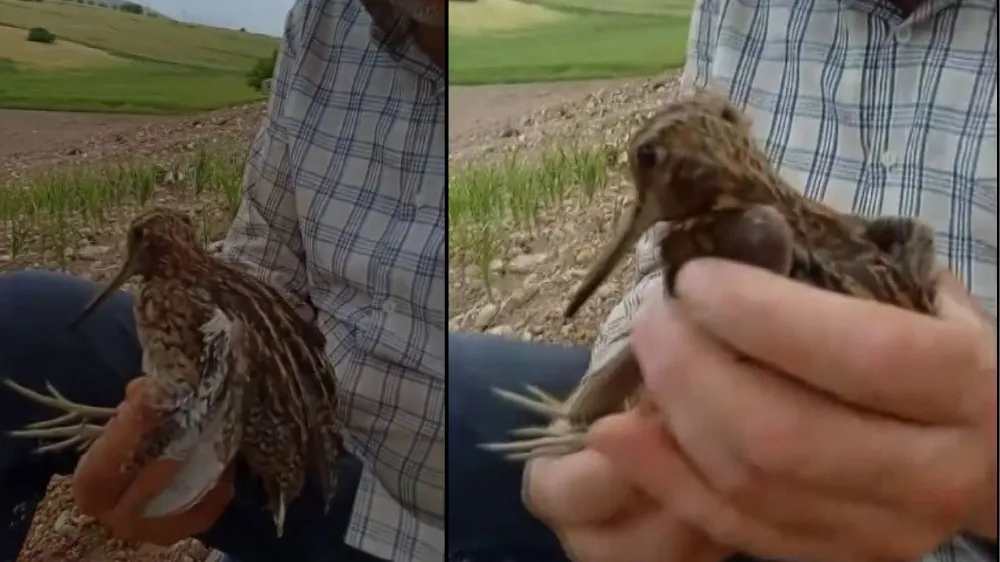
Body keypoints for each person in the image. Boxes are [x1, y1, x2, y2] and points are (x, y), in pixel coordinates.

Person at [446, 0, 997, 559]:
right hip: (718, 455)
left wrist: (987, 479)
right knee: (453, 389)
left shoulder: (763, 236)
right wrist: (613, 408)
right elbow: (659, 283)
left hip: (946, 536)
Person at [0, 1, 445, 561]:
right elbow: (267, 259)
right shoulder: (326, 19)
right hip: (309, 414)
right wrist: (199, 422)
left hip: (418, 516)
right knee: (17, 322)